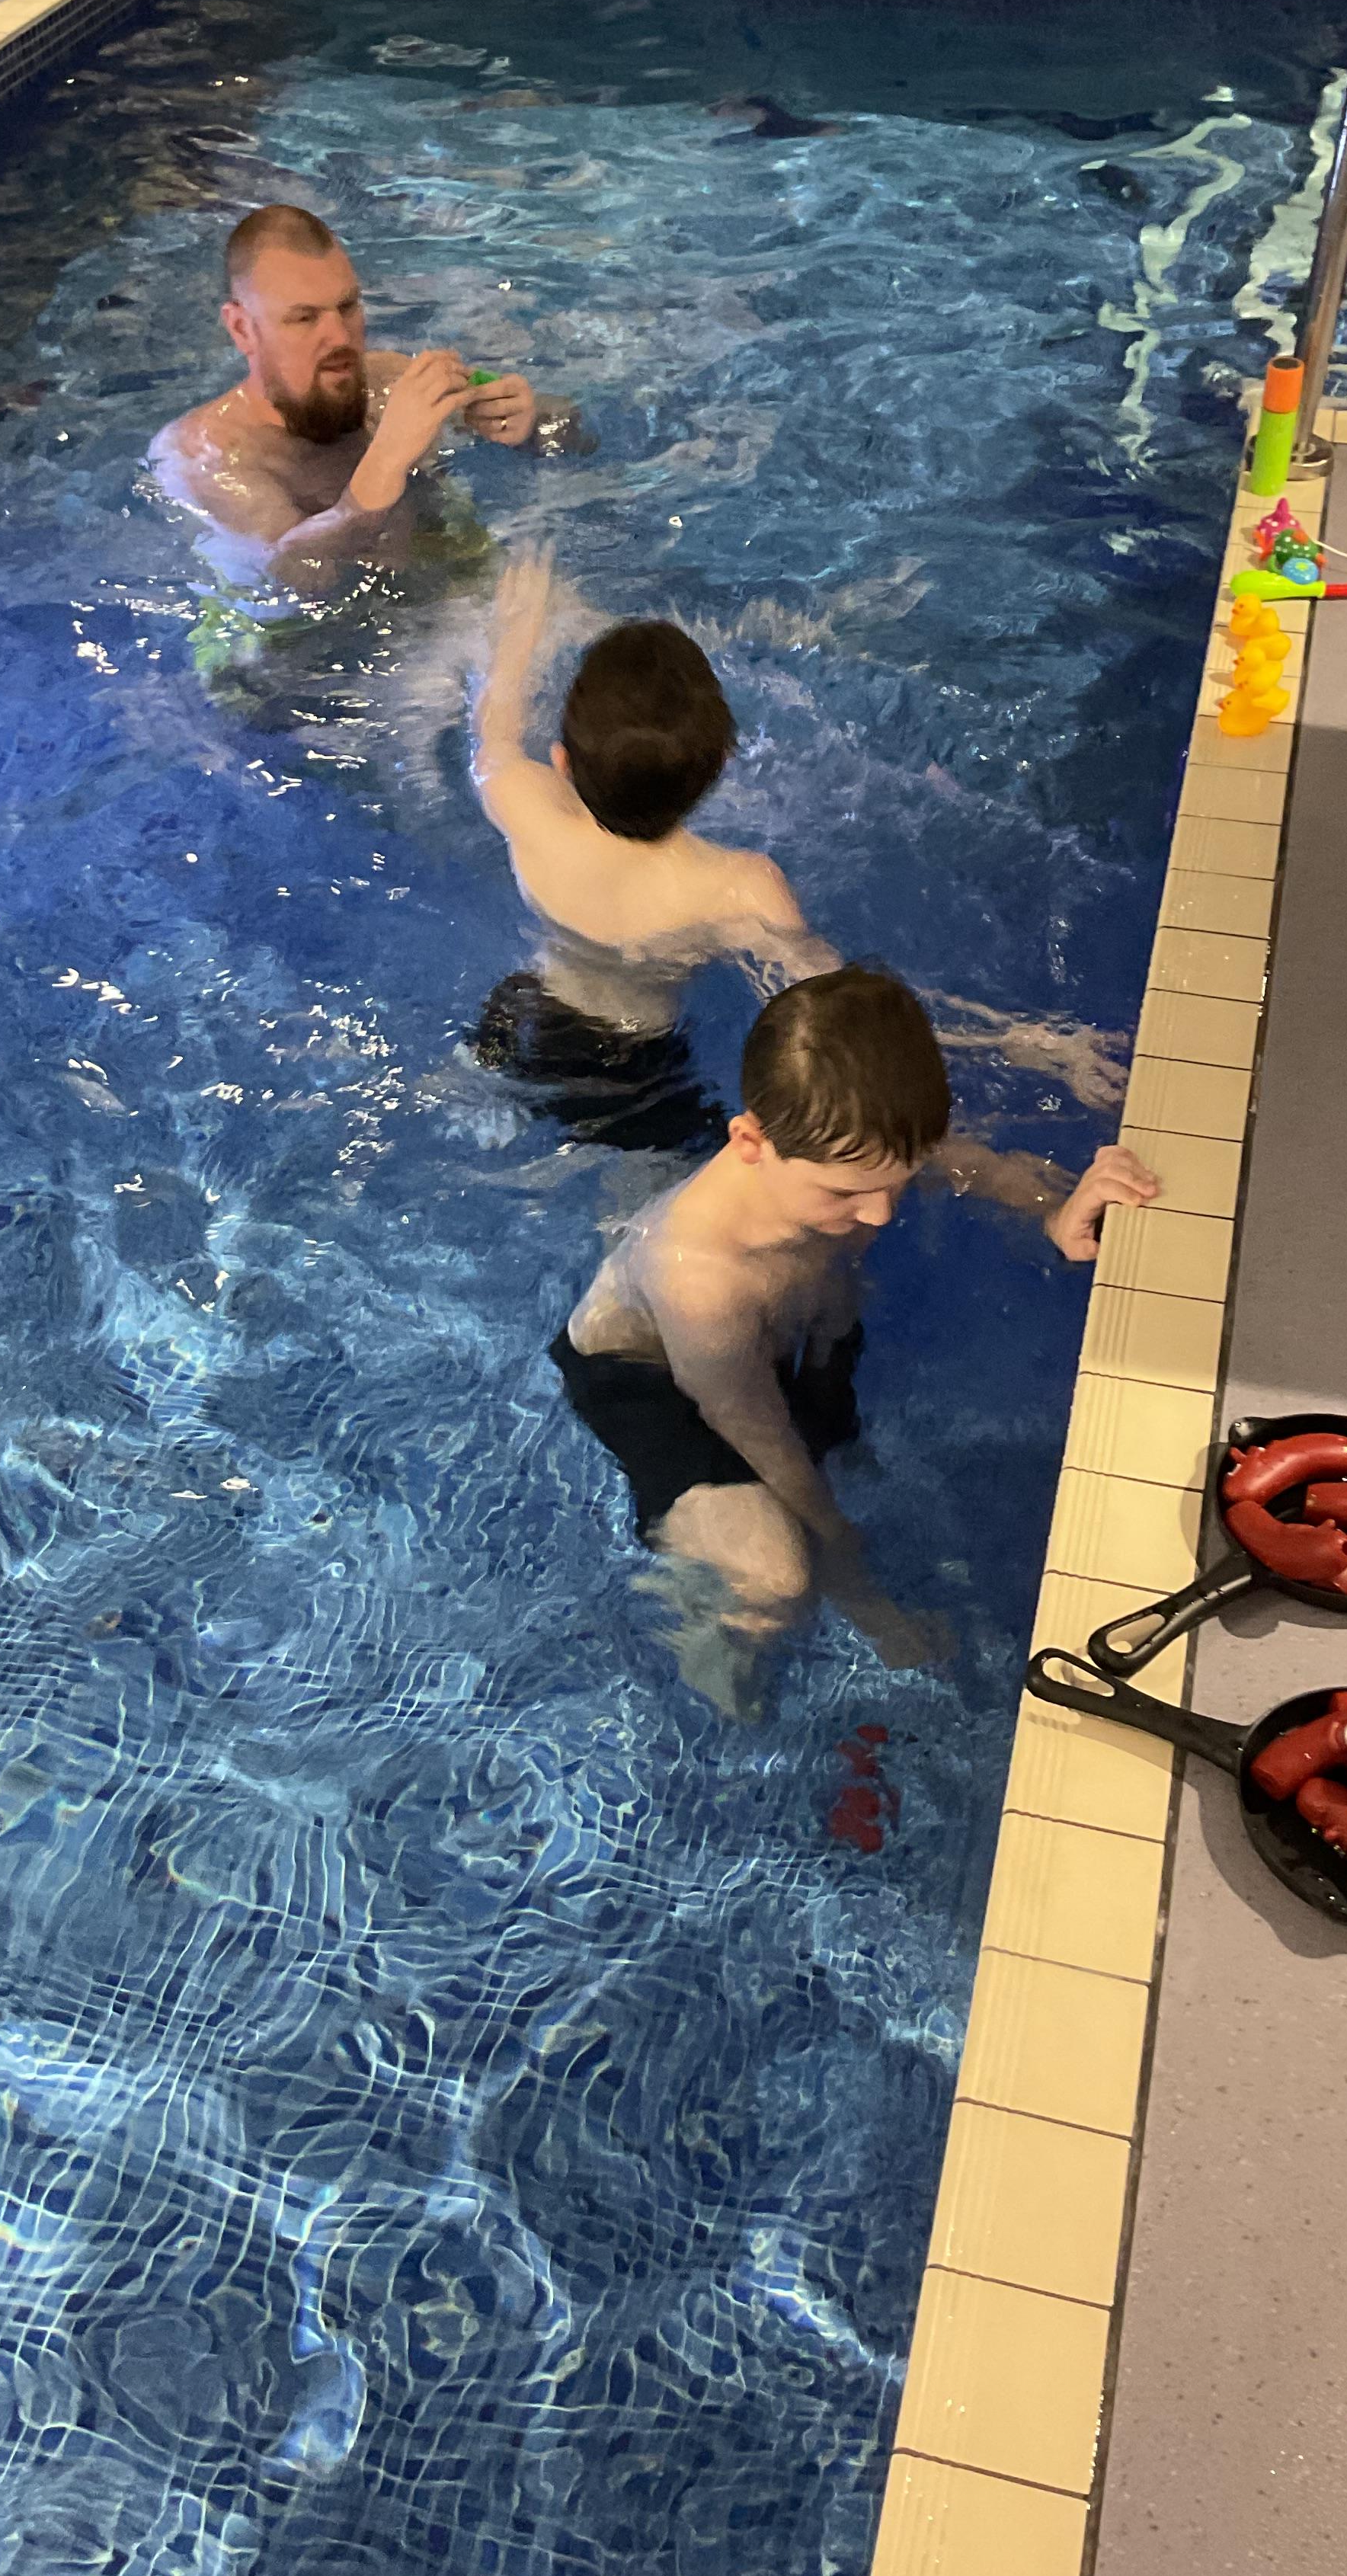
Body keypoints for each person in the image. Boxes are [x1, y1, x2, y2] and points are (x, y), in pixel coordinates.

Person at [551, 965, 1158, 1715]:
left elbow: (976, 1168)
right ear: (750, 1141)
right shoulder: (701, 1280)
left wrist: (1058, 1216)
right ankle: (713, 1664)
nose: (879, 1214)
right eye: (845, 1192)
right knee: (779, 1576)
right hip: (650, 1378)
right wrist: (867, 1601)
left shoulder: (857, 1144)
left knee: (842, 1346)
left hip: (788, 1330)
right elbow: (760, 1440)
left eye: (897, 1180)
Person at [468, 542, 836, 1150]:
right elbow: (826, 1008)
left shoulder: (526, 807)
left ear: (561, 762)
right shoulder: (738, 886)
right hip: (637, 1069)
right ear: (723, 764)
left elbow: (495, 736)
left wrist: (519, 636)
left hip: (519, 1018)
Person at [146, 205, 571, 600]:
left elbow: (575, 434)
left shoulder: (390, 383)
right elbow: (297, 578)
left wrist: (530, 422)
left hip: (454, 582)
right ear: (242, 329)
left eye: (347, 306)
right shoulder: (206, 456)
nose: (340, 337)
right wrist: (387, 459)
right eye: (304, 318)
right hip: (304, 645)